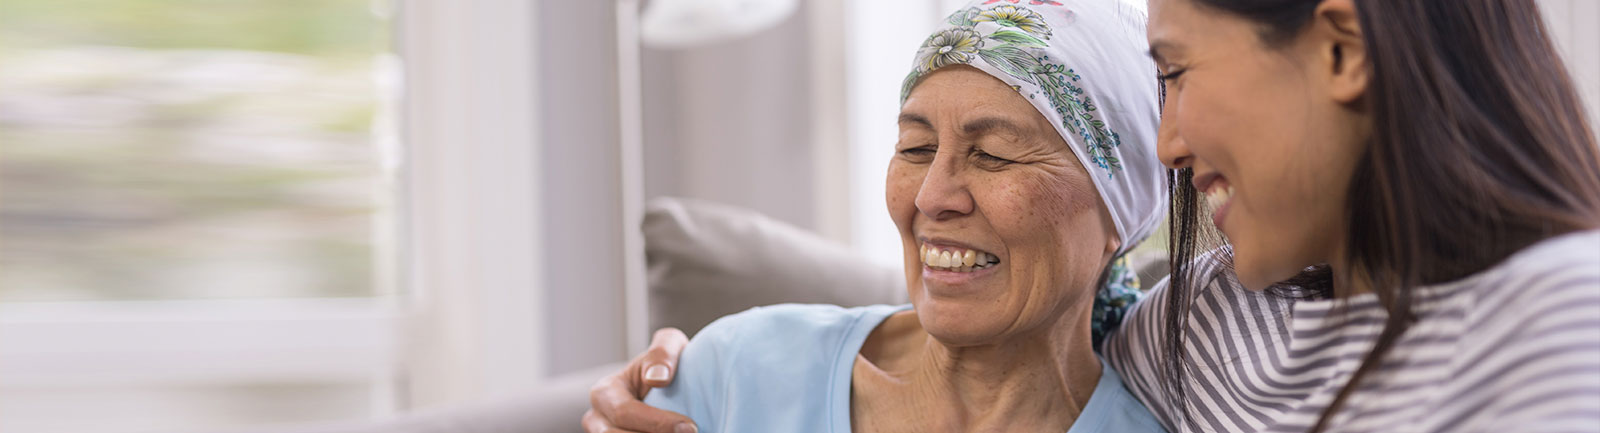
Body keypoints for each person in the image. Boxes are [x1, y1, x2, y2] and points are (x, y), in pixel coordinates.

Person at [588, 0, 1600, 432]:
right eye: (914, 144)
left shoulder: (1563, 323)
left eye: (1178, 73)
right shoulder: (1216, 323)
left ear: (1340, 50)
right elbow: (1022, 332)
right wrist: (687, 370)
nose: (1166, 143)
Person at [586, 1, 1166, 432]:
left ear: (1120, 210)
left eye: (991, 154)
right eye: (915, 149)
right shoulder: (738, 369)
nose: (931, 196)